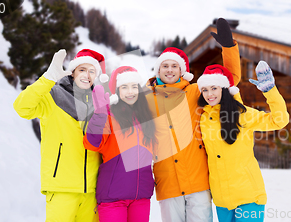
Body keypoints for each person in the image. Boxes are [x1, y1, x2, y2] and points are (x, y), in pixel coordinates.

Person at [146, 18, 241, 222]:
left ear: (182, 71)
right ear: (158, 70)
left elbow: (228, 79)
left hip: (199, 180)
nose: (170, 70)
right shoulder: (145, 98)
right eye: (165, 66)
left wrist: (228, 47)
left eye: (174, 66)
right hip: (167, 180)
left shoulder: (195, 91)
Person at [13, 49, 106, 221]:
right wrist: (48, 78)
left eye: (92, 71)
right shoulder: (53, 95)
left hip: (92, 192)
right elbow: (21, 107)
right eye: (82, 70)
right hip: (62, 187)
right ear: (72, 72)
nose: (87, 75)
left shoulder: (99, 103)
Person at [197, 61, 289, 222]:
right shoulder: (203, 118)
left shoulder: (242, 114)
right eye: (205, 89)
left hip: (248, 195)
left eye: (214, 88)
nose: (209, 94)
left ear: (224, 89)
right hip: (222, 199)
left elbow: (279, 121)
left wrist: (270, 92)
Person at [83, 66, 156, 222]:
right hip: (113, 196)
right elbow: (91, 143)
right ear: (117, 90)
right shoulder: (108, 114)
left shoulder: (146, 117)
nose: (130, 92)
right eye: (124, 87)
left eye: (134, 86)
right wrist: (99, 116)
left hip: (141, 196)